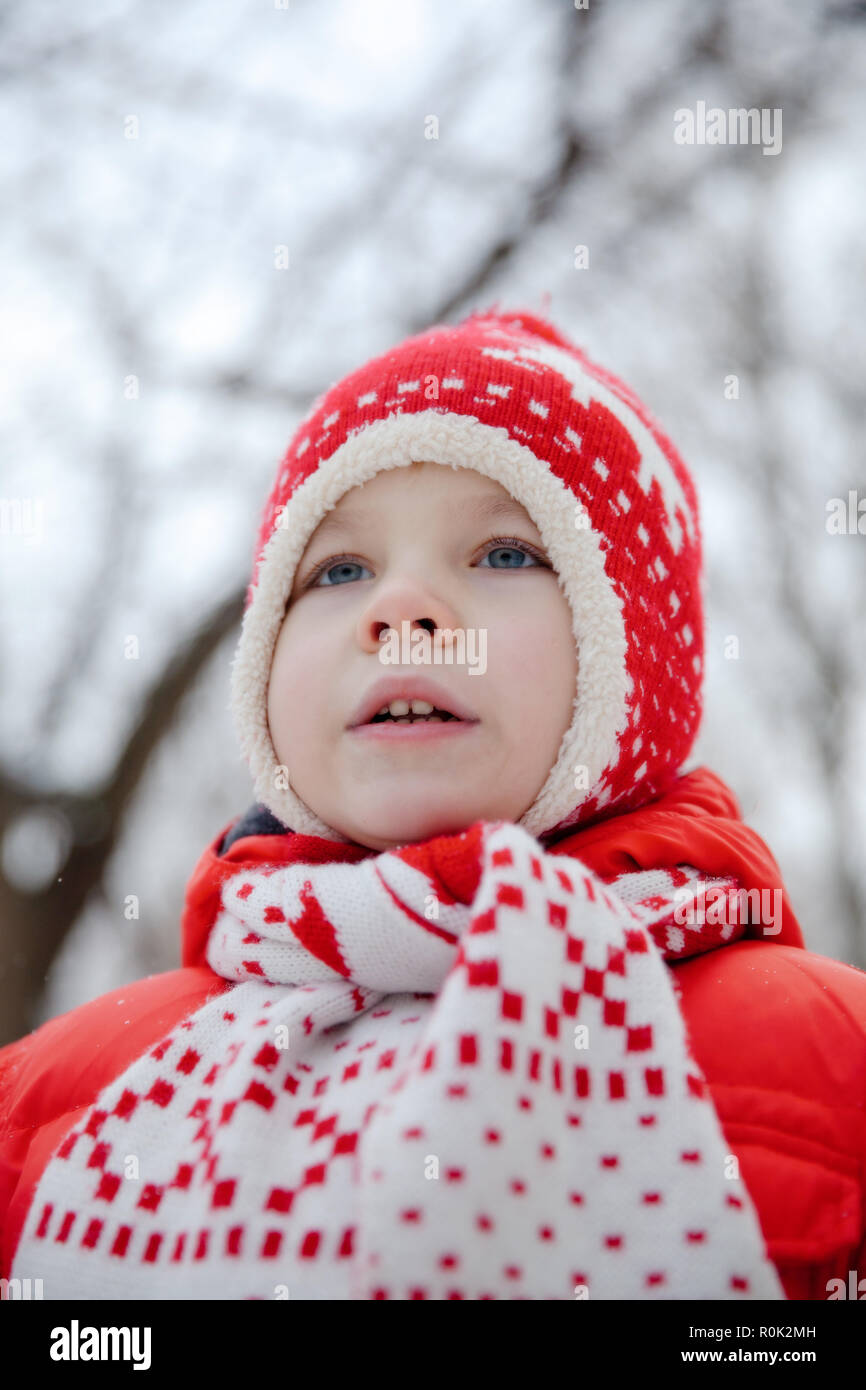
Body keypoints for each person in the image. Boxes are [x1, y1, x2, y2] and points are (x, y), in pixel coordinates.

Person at [2, 307, 864, 1301]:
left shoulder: (831, 1065)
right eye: (338, 569)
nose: (399, 609)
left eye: (503, 554)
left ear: (636, 671)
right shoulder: (44, 1101)